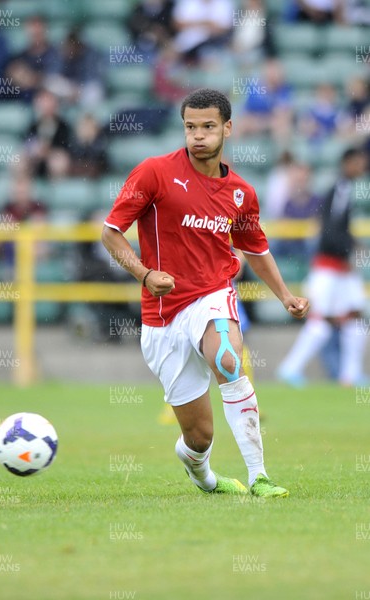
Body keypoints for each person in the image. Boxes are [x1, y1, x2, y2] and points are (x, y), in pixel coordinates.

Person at [102, 88, 309, 498]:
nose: (198, 136)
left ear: (227, 128)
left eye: (208, 127)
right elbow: (110, 235)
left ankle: (259, 476)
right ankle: (204, 477)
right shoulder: (154, 173)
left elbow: (256, 249)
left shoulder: (241, 193)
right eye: (190, 127)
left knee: (229, 361)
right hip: (161, 316)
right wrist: (144, 274)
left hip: (212, 295)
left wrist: (284, 295)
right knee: (198, 437)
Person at [277, 147, 368, 387]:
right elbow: (330, 231)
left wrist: (352, 246)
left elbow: (338, 229)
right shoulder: (340, 189)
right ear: (347, 163)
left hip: (341, 269)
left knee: (355, 318)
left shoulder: (345, 190)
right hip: (328, 267)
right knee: (320, 322)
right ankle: (290, 369)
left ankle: (351, 375)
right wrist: (350, 249)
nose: (362, 167)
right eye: (359, 162)